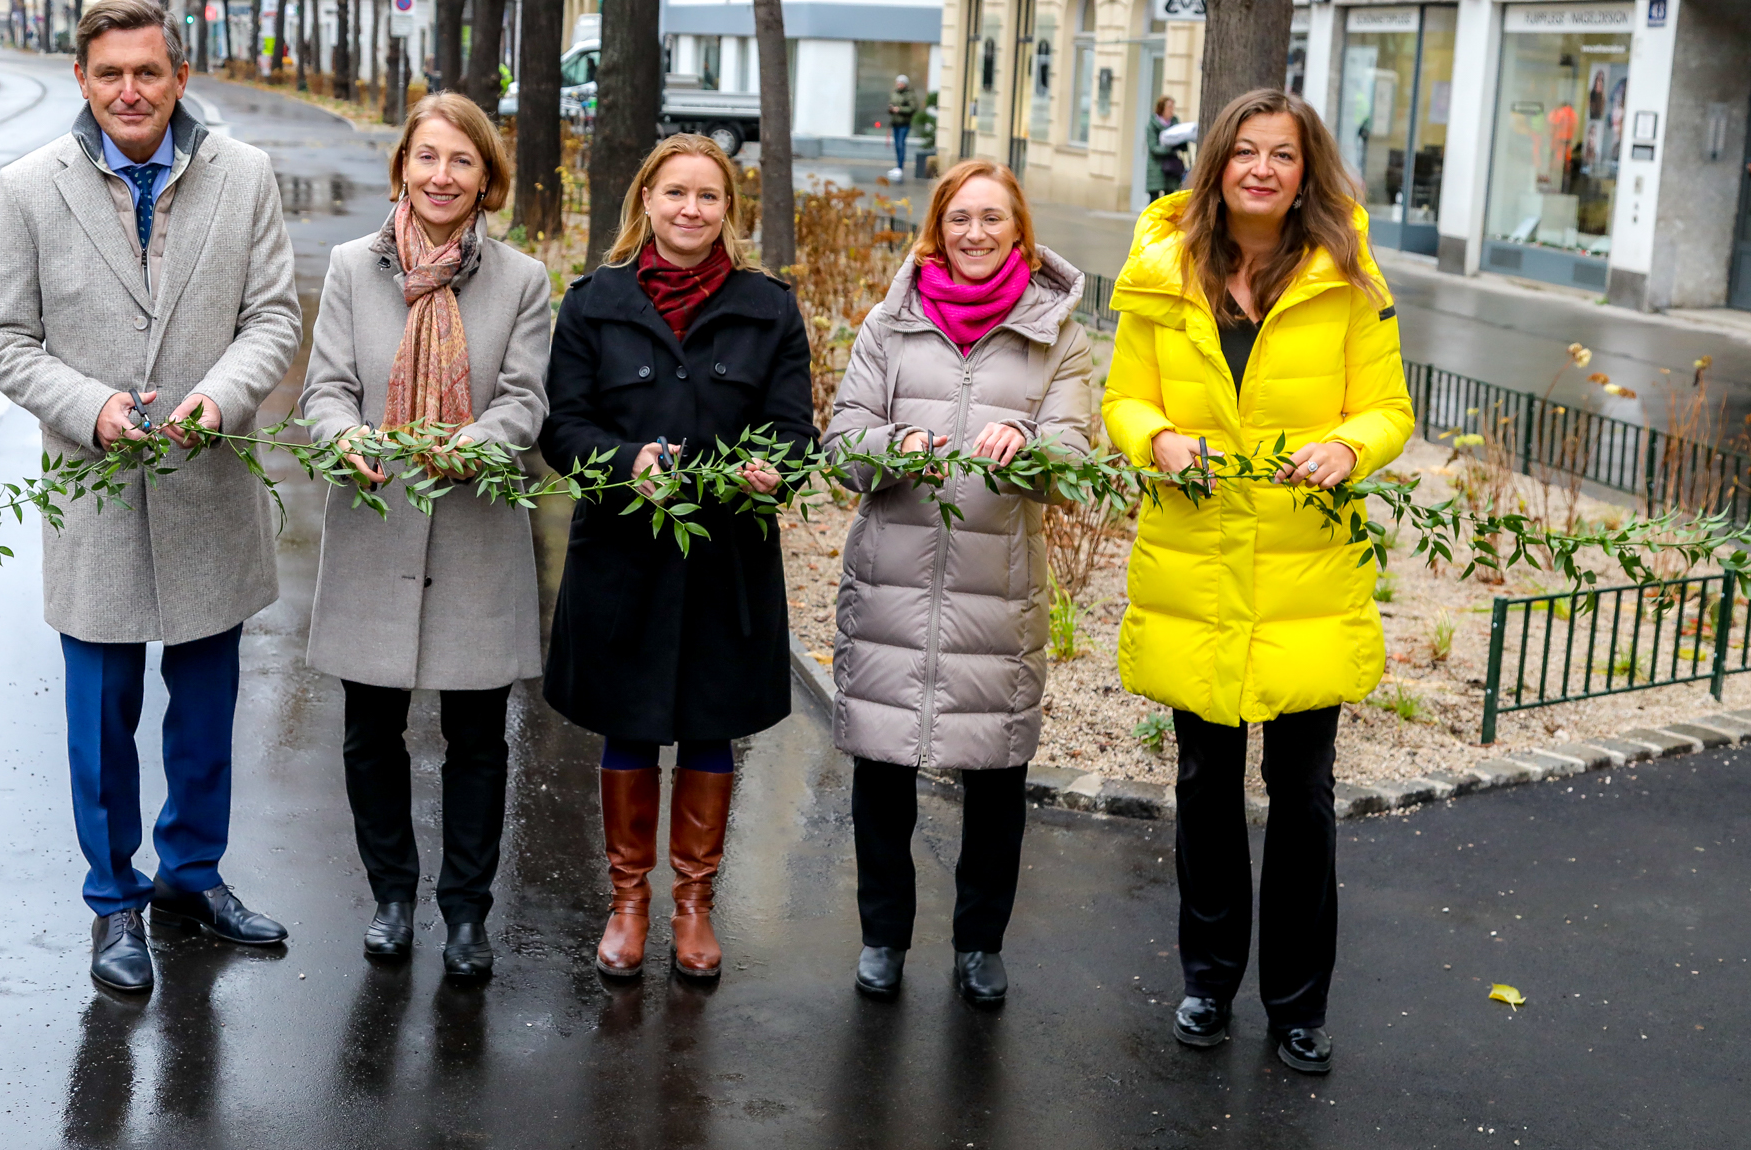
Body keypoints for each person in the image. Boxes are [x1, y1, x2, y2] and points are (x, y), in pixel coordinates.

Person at [0, 0, 302, 994]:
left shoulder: (243, 177)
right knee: (100, 722)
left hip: (207, 487)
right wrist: (88, 406)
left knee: (205, 716)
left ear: (178, 78)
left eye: (147, 72)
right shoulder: (29, 189)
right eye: (110, 73)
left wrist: (218, 398)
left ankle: (192, 878)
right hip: (96, 499)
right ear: (81, 79)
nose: (130, 91)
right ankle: (113, 901)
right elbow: (1, 340)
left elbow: (273, 321)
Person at [1101, 87, 1413, 1075]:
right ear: (1216, 165)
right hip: (1196, 562)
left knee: (1302, 793)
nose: (1261, 170)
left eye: (1281, 154)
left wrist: (1344, 449)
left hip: (1301, 569)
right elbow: (1121, 396)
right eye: (1244, 152)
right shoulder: (1159, 272)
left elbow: (1388, 409)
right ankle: (1205, 981)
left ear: (1305, 169)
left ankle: (1296, 1003)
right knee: (1201, 785)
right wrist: (1154, 436)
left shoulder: (1349, 278)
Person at [540, 134, 817, 982]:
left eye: (709, 196)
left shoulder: (769, 307)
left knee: (708, 724)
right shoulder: (594, 302)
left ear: (728, 210)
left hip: (725, 558)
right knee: (630, 724)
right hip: (625, 557)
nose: (691, 209)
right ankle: (629, 901)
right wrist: (629, 464)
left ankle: (694, 903)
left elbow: (794, 428)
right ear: (647, 202)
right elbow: (563, 426)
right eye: (676, 194)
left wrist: (773, 467)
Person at [823, 159, 1095, 1008]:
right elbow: (841, 445)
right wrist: (889, 446)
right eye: (959, 219)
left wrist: (1029, 439)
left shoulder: (1058, 336)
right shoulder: (890, 325)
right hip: (891, 585)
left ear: (1021, 231)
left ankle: (981, 943)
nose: (974, 233)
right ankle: (882, 937)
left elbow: (1075, 463)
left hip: (996, 589)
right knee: (882, 774)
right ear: (936, 228)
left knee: (996, 779)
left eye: (992, 219)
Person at [300, 92, 552, 982]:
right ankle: (393, 898)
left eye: (463, 161)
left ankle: (467, 911)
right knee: (371, 733)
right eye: (428, 157)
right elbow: (323, 388)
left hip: (476, 528)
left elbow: (525, 399)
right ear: (403, 164)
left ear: (487, 179)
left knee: (478, 737)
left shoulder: (521, 281)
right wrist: (345, 436)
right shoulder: (348, 267)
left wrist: (478, 445)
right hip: (375, 525)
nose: (442, 176)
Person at [1146, 95, 1187, 199]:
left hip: (1172, 167)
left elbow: (1180, 138)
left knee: (1169, 199)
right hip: (1156, 166)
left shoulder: (1174, 122)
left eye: (1173, 107)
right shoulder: (1152, 125)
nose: (1171, 110)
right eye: (1169, 107)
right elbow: (1153, 147)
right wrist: (1169, 149)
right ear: (1161, 108)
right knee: (1154, 200)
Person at [888, 75, 920, 177]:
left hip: (904, 123)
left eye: (900, 83)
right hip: (895, 122)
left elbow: (913, 108)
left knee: (901, 144)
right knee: (897, 145)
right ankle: (897, 166)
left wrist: (900, 109)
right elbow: (891, 103)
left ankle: (900, 167)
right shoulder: (894, 92)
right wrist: (891, 109)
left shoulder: (910, 94)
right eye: (897, 83)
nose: (898, 85)